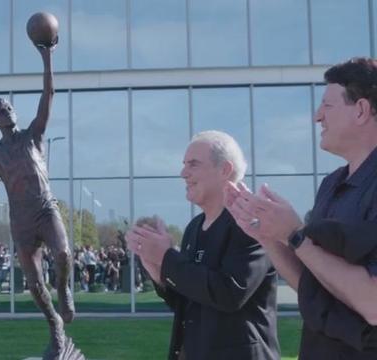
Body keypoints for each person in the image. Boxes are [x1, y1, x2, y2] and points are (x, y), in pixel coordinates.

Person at [225, 57, 377, 359]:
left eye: (328, 106)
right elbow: (311, 283)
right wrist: (267, 236)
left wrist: (295, 235)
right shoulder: (331, 184)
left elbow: (373, 304)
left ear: (360, 110)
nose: (317, 117)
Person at [0, 39, 76, 357]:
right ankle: (55, 326)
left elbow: (48, 95)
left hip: (45, 208)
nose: (7, 110)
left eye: (9, 106)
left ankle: (64, 288)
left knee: (64, 254)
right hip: (21, 220)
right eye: (1, 110)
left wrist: (47, 59)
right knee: (34, 284)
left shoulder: (34, 135)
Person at [127, 131, 279, 360]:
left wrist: (166, 257)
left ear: (225, 170)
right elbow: (189, 301)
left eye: (193, 164)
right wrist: (157, 270)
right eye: (184, 165)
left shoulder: (250, 223)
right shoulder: (194, 228)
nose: (183, 173)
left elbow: (230, 293)